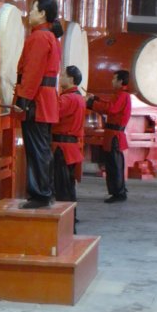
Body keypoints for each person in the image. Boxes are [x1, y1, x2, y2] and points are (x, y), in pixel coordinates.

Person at [14, 0, 63, 209]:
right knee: (41, 147)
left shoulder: (39, 37)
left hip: (37, 100)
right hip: (45, 98)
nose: (29, 14)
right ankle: (45, 191)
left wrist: (22, 100)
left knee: (36, 148)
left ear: (42, 13)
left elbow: (32, 72)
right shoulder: (50, 36)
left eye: (33, 9)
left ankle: (40, 194)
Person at [86, 69, 131, 204]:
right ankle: (118, 190)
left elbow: (111, 108)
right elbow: (109, 105)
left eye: (114, 79)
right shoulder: (120, 95)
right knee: (113, 165)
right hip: (112, 134)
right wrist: (95, 99)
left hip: (115, 135)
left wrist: (91, 103)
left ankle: (119, 193)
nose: (112, 81)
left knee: (114, 165)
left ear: (120, 81)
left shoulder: (123, 95)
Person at [51, 65, 86, 230]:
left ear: (71, 79)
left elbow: (52, 112)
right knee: (68, 187)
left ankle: (66, 226)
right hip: (71, 149)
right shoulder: (78, 97)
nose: (60, 77)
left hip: (62, 149)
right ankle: (71, 220)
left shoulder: (68, 99)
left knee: (62, 189)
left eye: (63, 75)